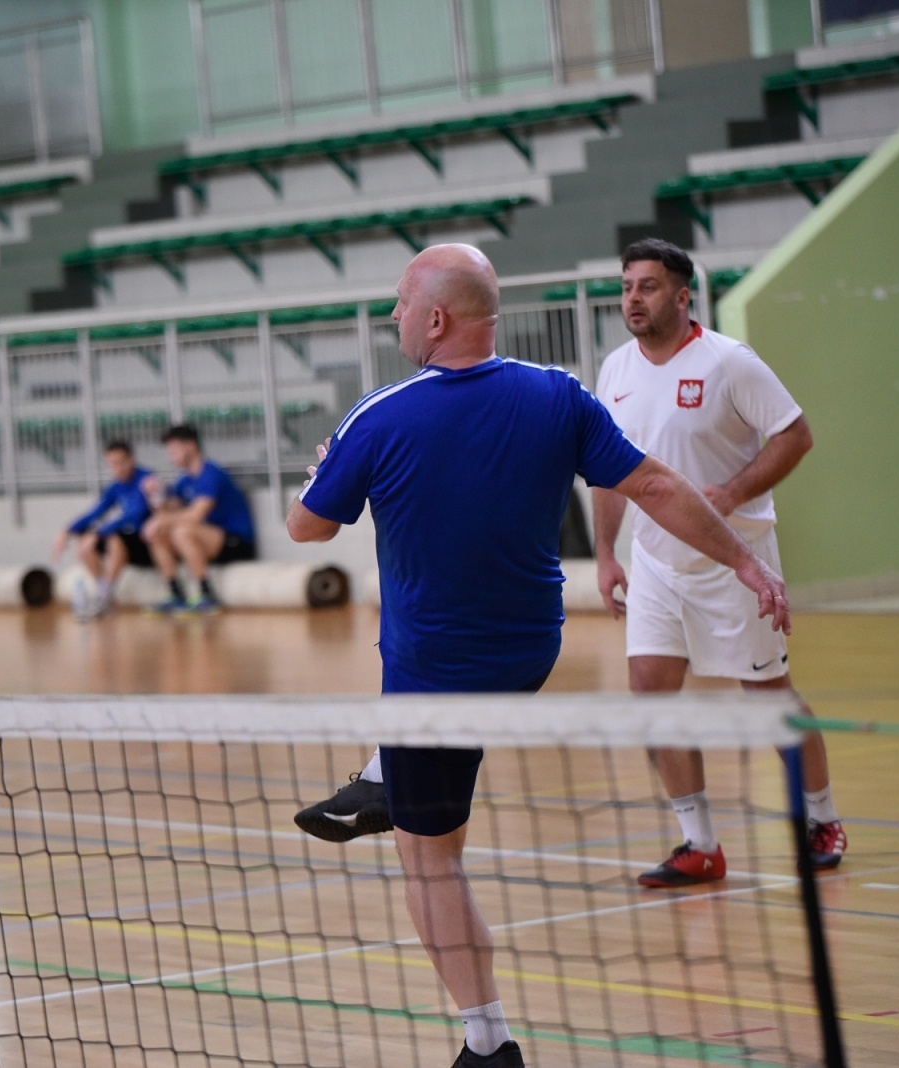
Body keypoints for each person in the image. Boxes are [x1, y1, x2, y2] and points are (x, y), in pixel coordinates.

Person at [287, 243, 791, 1068]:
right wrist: (745, 560)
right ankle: (387, 765)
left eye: (402, 305)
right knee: (432, 763)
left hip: (432, 671)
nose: (393, 317)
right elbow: (657, 487)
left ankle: (488, 1046)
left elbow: (307, 527)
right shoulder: (560, 394)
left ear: (437, 318)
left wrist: (323, 473)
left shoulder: (379, 415)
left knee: (429, 859)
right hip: (529, 647)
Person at [593, 237, 846, 887]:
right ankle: (698, 844)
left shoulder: (729, 362)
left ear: (682, 295)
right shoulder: (615, 370)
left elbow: (797, 433)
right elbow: (608, 473)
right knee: (650, 693)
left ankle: (822, 818)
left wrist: (731, 494)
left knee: (768, 698)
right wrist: (605, 554)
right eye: (626, 287)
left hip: (738, 561)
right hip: (654, 563)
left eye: (647, 287)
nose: (633, 299)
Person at [141, 424, 257, 614]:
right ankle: (175, 594)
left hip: (236, 541)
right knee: (158, 534)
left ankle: (207, 595)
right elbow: (169, 508)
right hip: (208, 538)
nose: (171, 456)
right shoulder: (185, 479)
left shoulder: (210, 473)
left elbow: (196, 515)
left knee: (182, 531)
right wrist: (156, 494)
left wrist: (162, 520)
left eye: (174, 450)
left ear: (191, 446)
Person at [52, 440, 153, 620]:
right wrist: (67, 530)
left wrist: (99, 533)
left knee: (113, 537)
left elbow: (136, 514)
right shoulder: (116, 487)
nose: (117, 468)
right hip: (129, 540)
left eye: (121, 462)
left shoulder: (147, 480)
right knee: (83, 540)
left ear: (132, 460)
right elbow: (95, 512)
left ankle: (104, 595)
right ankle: (102, 592)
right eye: (112, 464)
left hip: (149, 543)